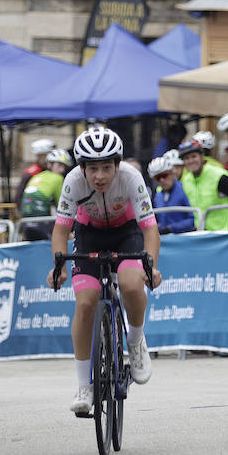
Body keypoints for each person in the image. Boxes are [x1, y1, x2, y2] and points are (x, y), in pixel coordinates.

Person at [46, 127, 162, 415]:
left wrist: (151, 266)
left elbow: (150, 230)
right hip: (89, 235)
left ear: (117, 165)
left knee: (132, 284)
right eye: (93, 168)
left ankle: (135, 343)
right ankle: (84, 385)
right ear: (82, 168)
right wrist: (58, 267)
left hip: (127, 233)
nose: (100, 176)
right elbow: (60, 231)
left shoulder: (132, 179)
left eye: (107, 167)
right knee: (85, 302)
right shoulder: (73, 182)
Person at [179, 137, 228, 231]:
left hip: (223, 233)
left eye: (194, 156)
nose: (191, 161)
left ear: (202, 156)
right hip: (200, 234)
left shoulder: (219, 176)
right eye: (186, 158)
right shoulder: (186, 181)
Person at [20, 149, 72, 240]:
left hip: (25, 220)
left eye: (64, 167)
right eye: (59, 165)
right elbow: (62, 204)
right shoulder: (58, 178)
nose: (62, 170)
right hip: (42, 220)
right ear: (49, 164)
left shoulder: (37, 176)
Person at [149, 155, 194, 234]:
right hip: (166, 242)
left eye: (164, 175)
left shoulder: (186, 189)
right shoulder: (158, 196)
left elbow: (194, 219)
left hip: (186, 239)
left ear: (172, 173)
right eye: (157, 178)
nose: (162, 180)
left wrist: (171, 228)